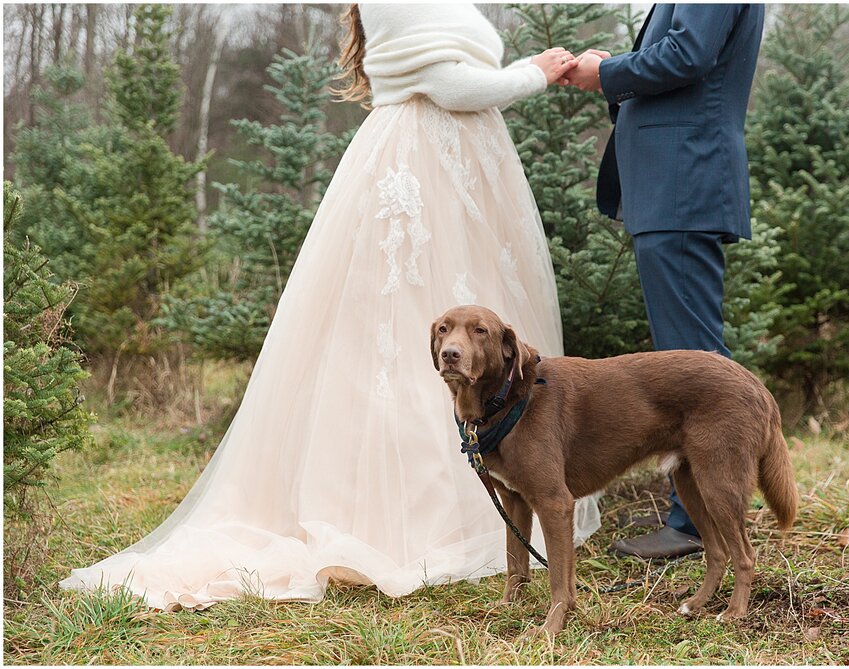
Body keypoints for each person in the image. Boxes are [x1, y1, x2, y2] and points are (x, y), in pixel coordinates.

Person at [60, 3, 602, 611]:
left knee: (477, 325)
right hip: (423, 172)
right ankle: (403, 520)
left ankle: (501, 480)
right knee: (398, 330)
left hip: (467, 170)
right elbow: (449, 85)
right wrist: (537, 70)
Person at [562, 4, 765, 559]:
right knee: (689, 353)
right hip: (676, 181)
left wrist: (604, 74)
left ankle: (700, 525)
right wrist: (617, 67)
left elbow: (689, 54)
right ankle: (700, 519)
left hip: (683, 178)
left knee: (693, 357)